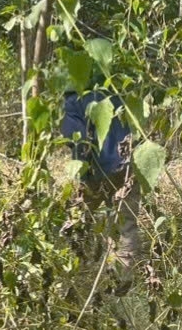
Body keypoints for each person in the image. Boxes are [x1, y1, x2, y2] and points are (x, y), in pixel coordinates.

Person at [60, 87, 142, 295]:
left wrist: (85, 178)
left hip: (95, 171)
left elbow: (78, 141)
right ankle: (123, 282)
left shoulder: (72, 101)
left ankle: (71, 271)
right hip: (126, 166)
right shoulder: (114, 90)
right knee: (127, 226)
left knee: (77, 221)